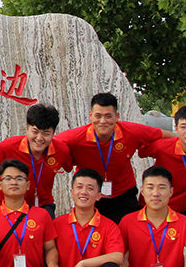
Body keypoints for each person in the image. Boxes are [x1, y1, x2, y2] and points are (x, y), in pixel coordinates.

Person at [57, 93, 170, 223]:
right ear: (90, 115)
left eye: (108, 116)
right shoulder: (75, 137)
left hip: (123, 194)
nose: (103, 121)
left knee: (127, 230)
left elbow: (165, 135)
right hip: (90, 194)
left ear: (117, 116)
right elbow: (50, 143)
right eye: (98, 116)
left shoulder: (131, 131)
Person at [0, 103, 72, 218]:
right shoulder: (7, 147)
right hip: (9, 204)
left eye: (46, 133)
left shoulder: (61, 151)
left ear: (53, 133)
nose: (39, 138)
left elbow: (69, 166)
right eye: (35, 132)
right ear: (27, 129)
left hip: (42, 204)